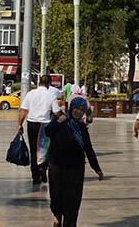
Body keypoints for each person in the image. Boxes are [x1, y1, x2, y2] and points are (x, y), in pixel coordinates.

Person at [46, 97, 102, 227]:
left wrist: (97, 168)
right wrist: (58, 121)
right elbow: (48, 132)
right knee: (56, 197)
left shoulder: (82, 128)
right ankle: (57, 215)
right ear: (71, 108)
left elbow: (88, 149)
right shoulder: (61, 122)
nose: (79, 112)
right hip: (57, 167)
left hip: (76, 169)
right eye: (77, 108)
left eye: (82, 110)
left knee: (73, 201)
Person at [17, 76, 61, 185]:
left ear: (38, 83)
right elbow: (56, 112)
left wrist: (19, 124)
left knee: (33, 150)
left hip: (32, 124)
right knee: (45, 149)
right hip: (45, 125)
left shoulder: (30, 94)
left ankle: (35, 176)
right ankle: (43, 168)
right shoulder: (51, 95)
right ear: (48, 84)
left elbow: (23, 110)